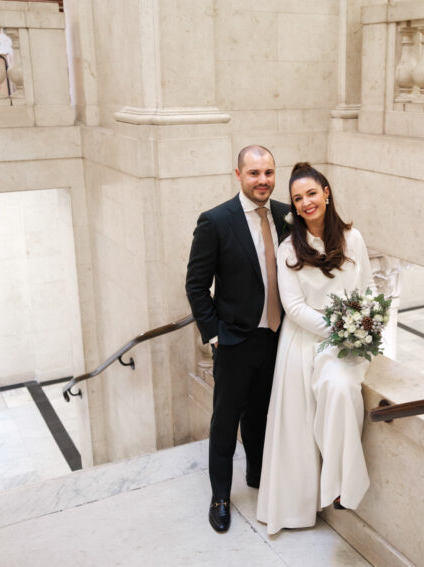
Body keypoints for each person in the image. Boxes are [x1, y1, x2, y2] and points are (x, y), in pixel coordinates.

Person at [257, 162, 373, 535]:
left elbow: (368, 291)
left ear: (326, 193)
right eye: (297, 198)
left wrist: (359, 329)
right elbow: (293, 307)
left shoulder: (353, 239)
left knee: (340, 392)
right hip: (302, 340)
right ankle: (299, 505)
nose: (306, 202)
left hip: (348, 345)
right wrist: (338, 329)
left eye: (311, 193)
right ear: (293, 207)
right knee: (296, 428)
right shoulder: (289, 248)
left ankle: (343, 487)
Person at [185, 145, 291, 533]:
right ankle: (220, 496)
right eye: (254, 173)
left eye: (268, 173)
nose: (263, 180)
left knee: (261, 413)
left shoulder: (286, 215)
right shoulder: (215, 221)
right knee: (226, 421)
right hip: (234, 340)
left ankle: (258, 476)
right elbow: (196, 285)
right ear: (238, 174)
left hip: (277, 337)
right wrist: (214, 334)